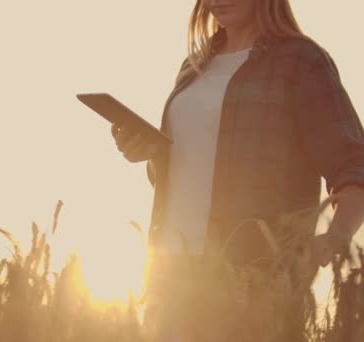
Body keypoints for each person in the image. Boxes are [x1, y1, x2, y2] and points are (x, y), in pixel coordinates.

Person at [111, 0, 364, 340]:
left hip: (252, 277)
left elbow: (353, 163)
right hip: (171, 275)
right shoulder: (194, 66)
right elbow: (187, 169)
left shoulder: (301, 61)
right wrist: (150, 152)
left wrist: (337, 238)